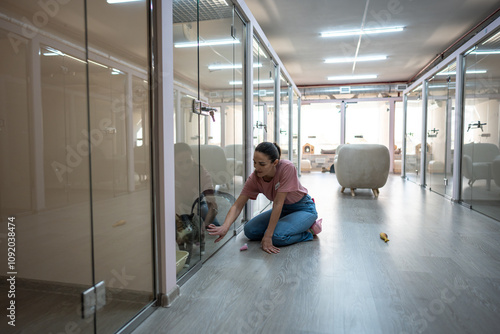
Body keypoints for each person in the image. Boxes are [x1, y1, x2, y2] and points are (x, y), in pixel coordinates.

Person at [207, 142, 320, 254]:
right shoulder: (255, 178)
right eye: (254, 162)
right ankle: (285, 226)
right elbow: (237, 205)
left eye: (262, 164)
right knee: (249, 230)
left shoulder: (287, 168)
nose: (256, 167)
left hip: (303, 208)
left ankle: (308, 231)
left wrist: (268, 235)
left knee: (277, 237)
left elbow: (277, 203)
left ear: (275, 162)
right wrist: (225, 227)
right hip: (283, 210)